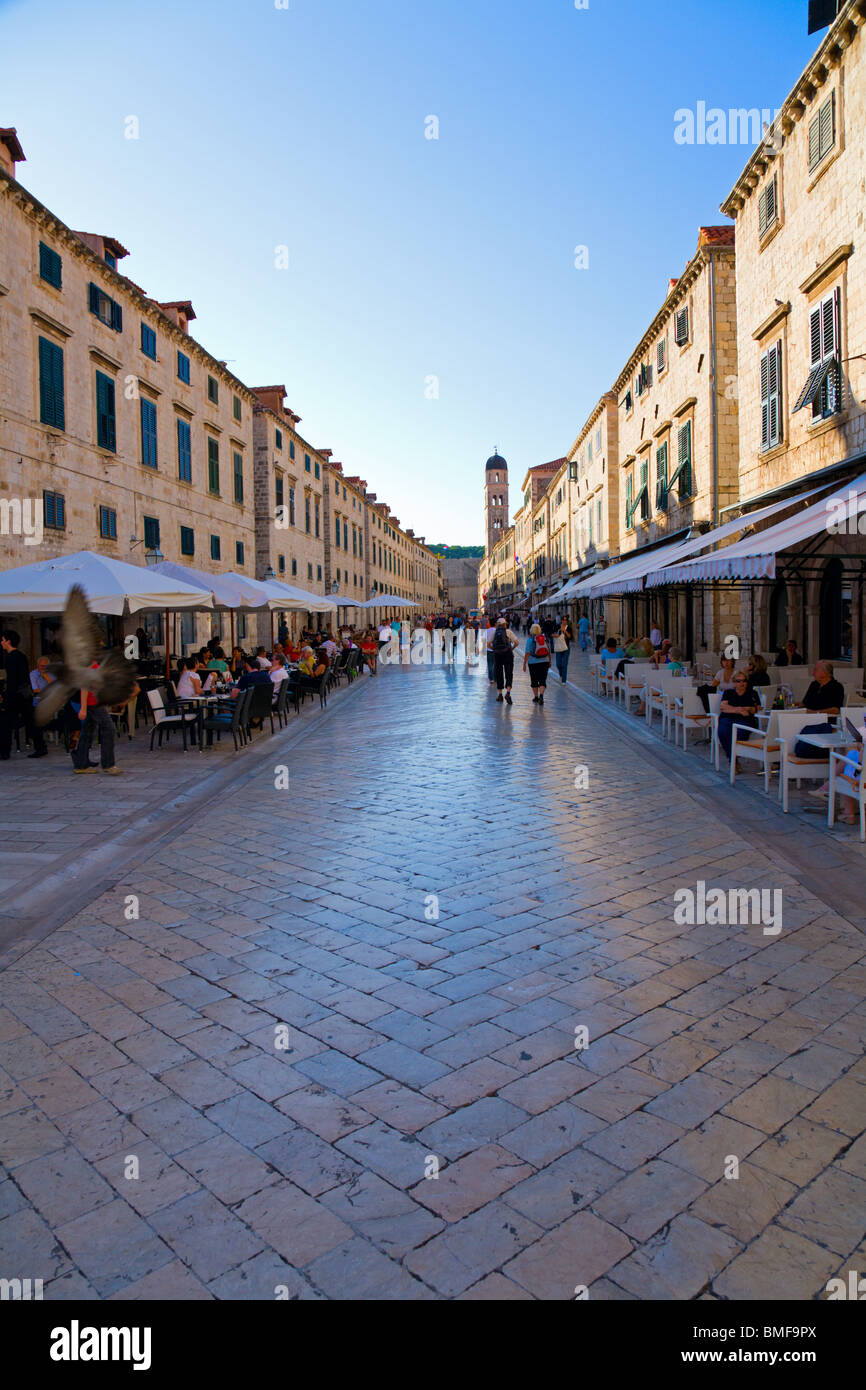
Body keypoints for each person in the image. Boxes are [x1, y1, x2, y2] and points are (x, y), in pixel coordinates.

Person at [1, 629, 47, 760]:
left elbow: (12, 680)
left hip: (15, 695)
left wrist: (6, 698)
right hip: (25, 694)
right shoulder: (21, 656)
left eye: (3, 639)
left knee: (5, 723)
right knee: (30, 721)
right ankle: (41, 747)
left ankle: (4, 752)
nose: (1, 642)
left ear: (8, 641)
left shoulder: (10, 658)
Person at [718, 671, 760, 763]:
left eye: (744, 681)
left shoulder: (752, 693)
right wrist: (740, 710)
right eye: (738, 681)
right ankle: (733, 759)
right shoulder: (728, 692)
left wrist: (748, 708)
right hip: (727, 718)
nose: (742, 683)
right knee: (722, 731)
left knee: (740, 732)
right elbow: (723, 707)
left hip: (745, 720)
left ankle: (732, 759)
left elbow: (756, 709)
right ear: (734, 683)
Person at [488, 618, 519, 703]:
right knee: (509, 673)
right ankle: (508, 693)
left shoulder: (494, 632)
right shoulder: (509, 632)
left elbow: (488, 644)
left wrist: (494, 649)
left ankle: (500, 695)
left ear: (497, 624)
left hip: (497, 655)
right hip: (508, 654)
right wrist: (511, 649)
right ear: (505, 624)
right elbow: (517, 642)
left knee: (499, 673)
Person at [524, 623, 551, 704]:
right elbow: (548, 651)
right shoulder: (544, 639)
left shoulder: (530, 640)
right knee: (543, 679)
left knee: (534, 679)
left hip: (533, 662)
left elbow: (527, 653)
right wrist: (549, 661)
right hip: (544, 661)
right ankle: (541, 696)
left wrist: (524, 663)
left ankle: (536, 697)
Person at [552, 617, 574, 684]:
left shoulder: (569, 628)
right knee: (558, 664)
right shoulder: (557, 626)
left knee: (564, 664)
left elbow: (570, 637)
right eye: (563, 620)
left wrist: (564, 631)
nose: (564, 621)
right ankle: (561, 675)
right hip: (558, 647)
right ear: (561, 620)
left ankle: (564, 680)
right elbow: (552, 634)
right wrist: (556, 635)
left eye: (566, 620)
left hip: (566, 648)